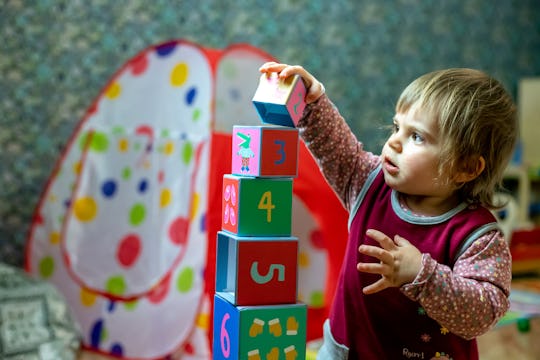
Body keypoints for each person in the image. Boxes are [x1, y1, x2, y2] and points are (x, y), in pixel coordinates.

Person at [259, 62, 517, 359]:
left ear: (466, 168)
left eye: (416, 136)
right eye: (397, 127)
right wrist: (312, 102)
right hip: (345, 350)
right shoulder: (368, 182)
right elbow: (336, 149)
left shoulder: (478, 236)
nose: (394, 142)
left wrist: (423, 274)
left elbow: (483, 313)